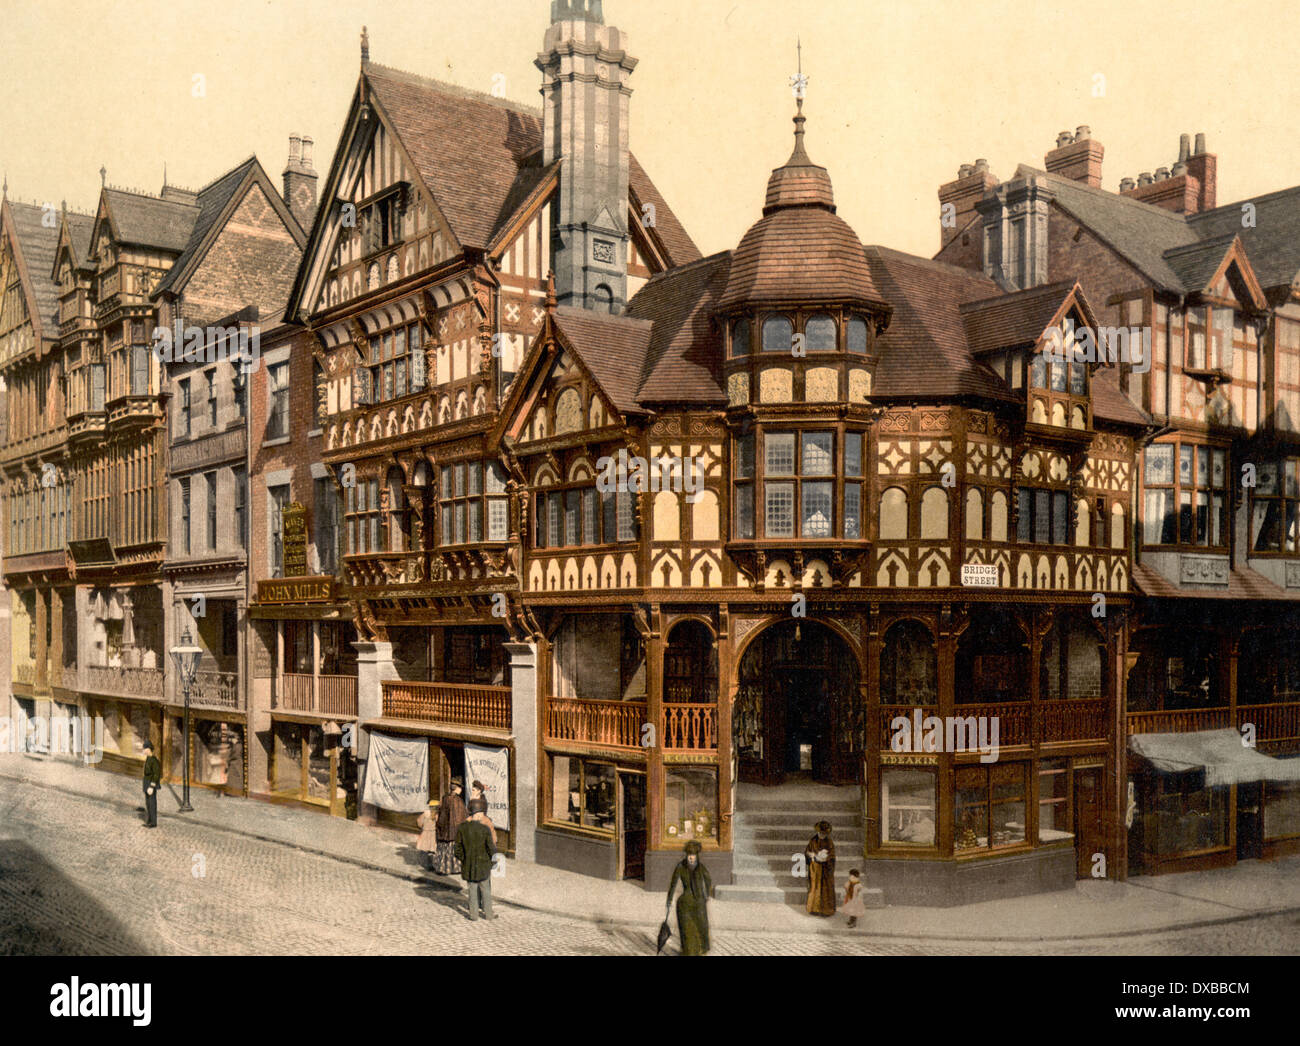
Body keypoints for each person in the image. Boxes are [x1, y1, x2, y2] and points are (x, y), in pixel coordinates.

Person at [453, 798, 498, 920]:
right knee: (486, 890)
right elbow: (491, 849)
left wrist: (465, 859)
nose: (483, 816)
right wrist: (493, 862)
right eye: (482, 813)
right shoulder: (485, 829)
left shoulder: (462, 828)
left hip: (469, 865)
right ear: (478, 814)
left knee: (472, 890)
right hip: (484, 866)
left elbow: (457, 849)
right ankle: (489, 914)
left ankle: (473, 915)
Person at [666, 840, 713, 955]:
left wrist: (706, 894)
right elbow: (673, 883)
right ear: (686, 856)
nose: (691, 858)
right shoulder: (680, 867)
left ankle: (700, 950)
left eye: (693, 856)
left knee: (701, 926)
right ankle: (688, 951)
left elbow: (708, 880)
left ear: (697, 856)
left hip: (699, 902)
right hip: (685, 903)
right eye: (689, 856)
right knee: (687, 930)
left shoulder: (701, 868)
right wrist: (669, 900)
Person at [433, 778, 468, 875]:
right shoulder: (458, 801)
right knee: (452, 847)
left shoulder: (445, 798)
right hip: (454, 830)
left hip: (444, 829)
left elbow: (441, 814)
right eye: (460, 788)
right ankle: (454, 868)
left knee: (444, 848)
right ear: (457, 789)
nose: (461, 790)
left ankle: (442, 868)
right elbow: (461, 816)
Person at [805, 820, 836, 916]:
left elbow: (832, 855)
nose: (822, 835)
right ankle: (814, 909)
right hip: (815, 868)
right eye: (820, 833)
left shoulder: (829, 841)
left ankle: (826, 910)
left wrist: (826, 858)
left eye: (824, 834)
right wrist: (811, 855)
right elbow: (807, 851)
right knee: (815, 887)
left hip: (826, 869)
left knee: (826, 888)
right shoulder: (813, 840)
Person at [141, 741, 162, 828]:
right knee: (148, 803)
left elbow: (156, 774)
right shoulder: (148, 759)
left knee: (152, 803)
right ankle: (149, 820)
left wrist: (152, 786)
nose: (144, 750)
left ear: (149, 749)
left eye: (145, 749)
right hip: (147, 783)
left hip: (150, 784)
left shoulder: (154, 760)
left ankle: (153, 822)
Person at [415, 799, 439, 870]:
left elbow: (419, 821)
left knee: (426, 849)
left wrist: (422, 827)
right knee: (432, 849)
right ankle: (432, 864)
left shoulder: (426, 813)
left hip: (425, 832)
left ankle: (427, 864)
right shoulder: (438, 815)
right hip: (433, 833)